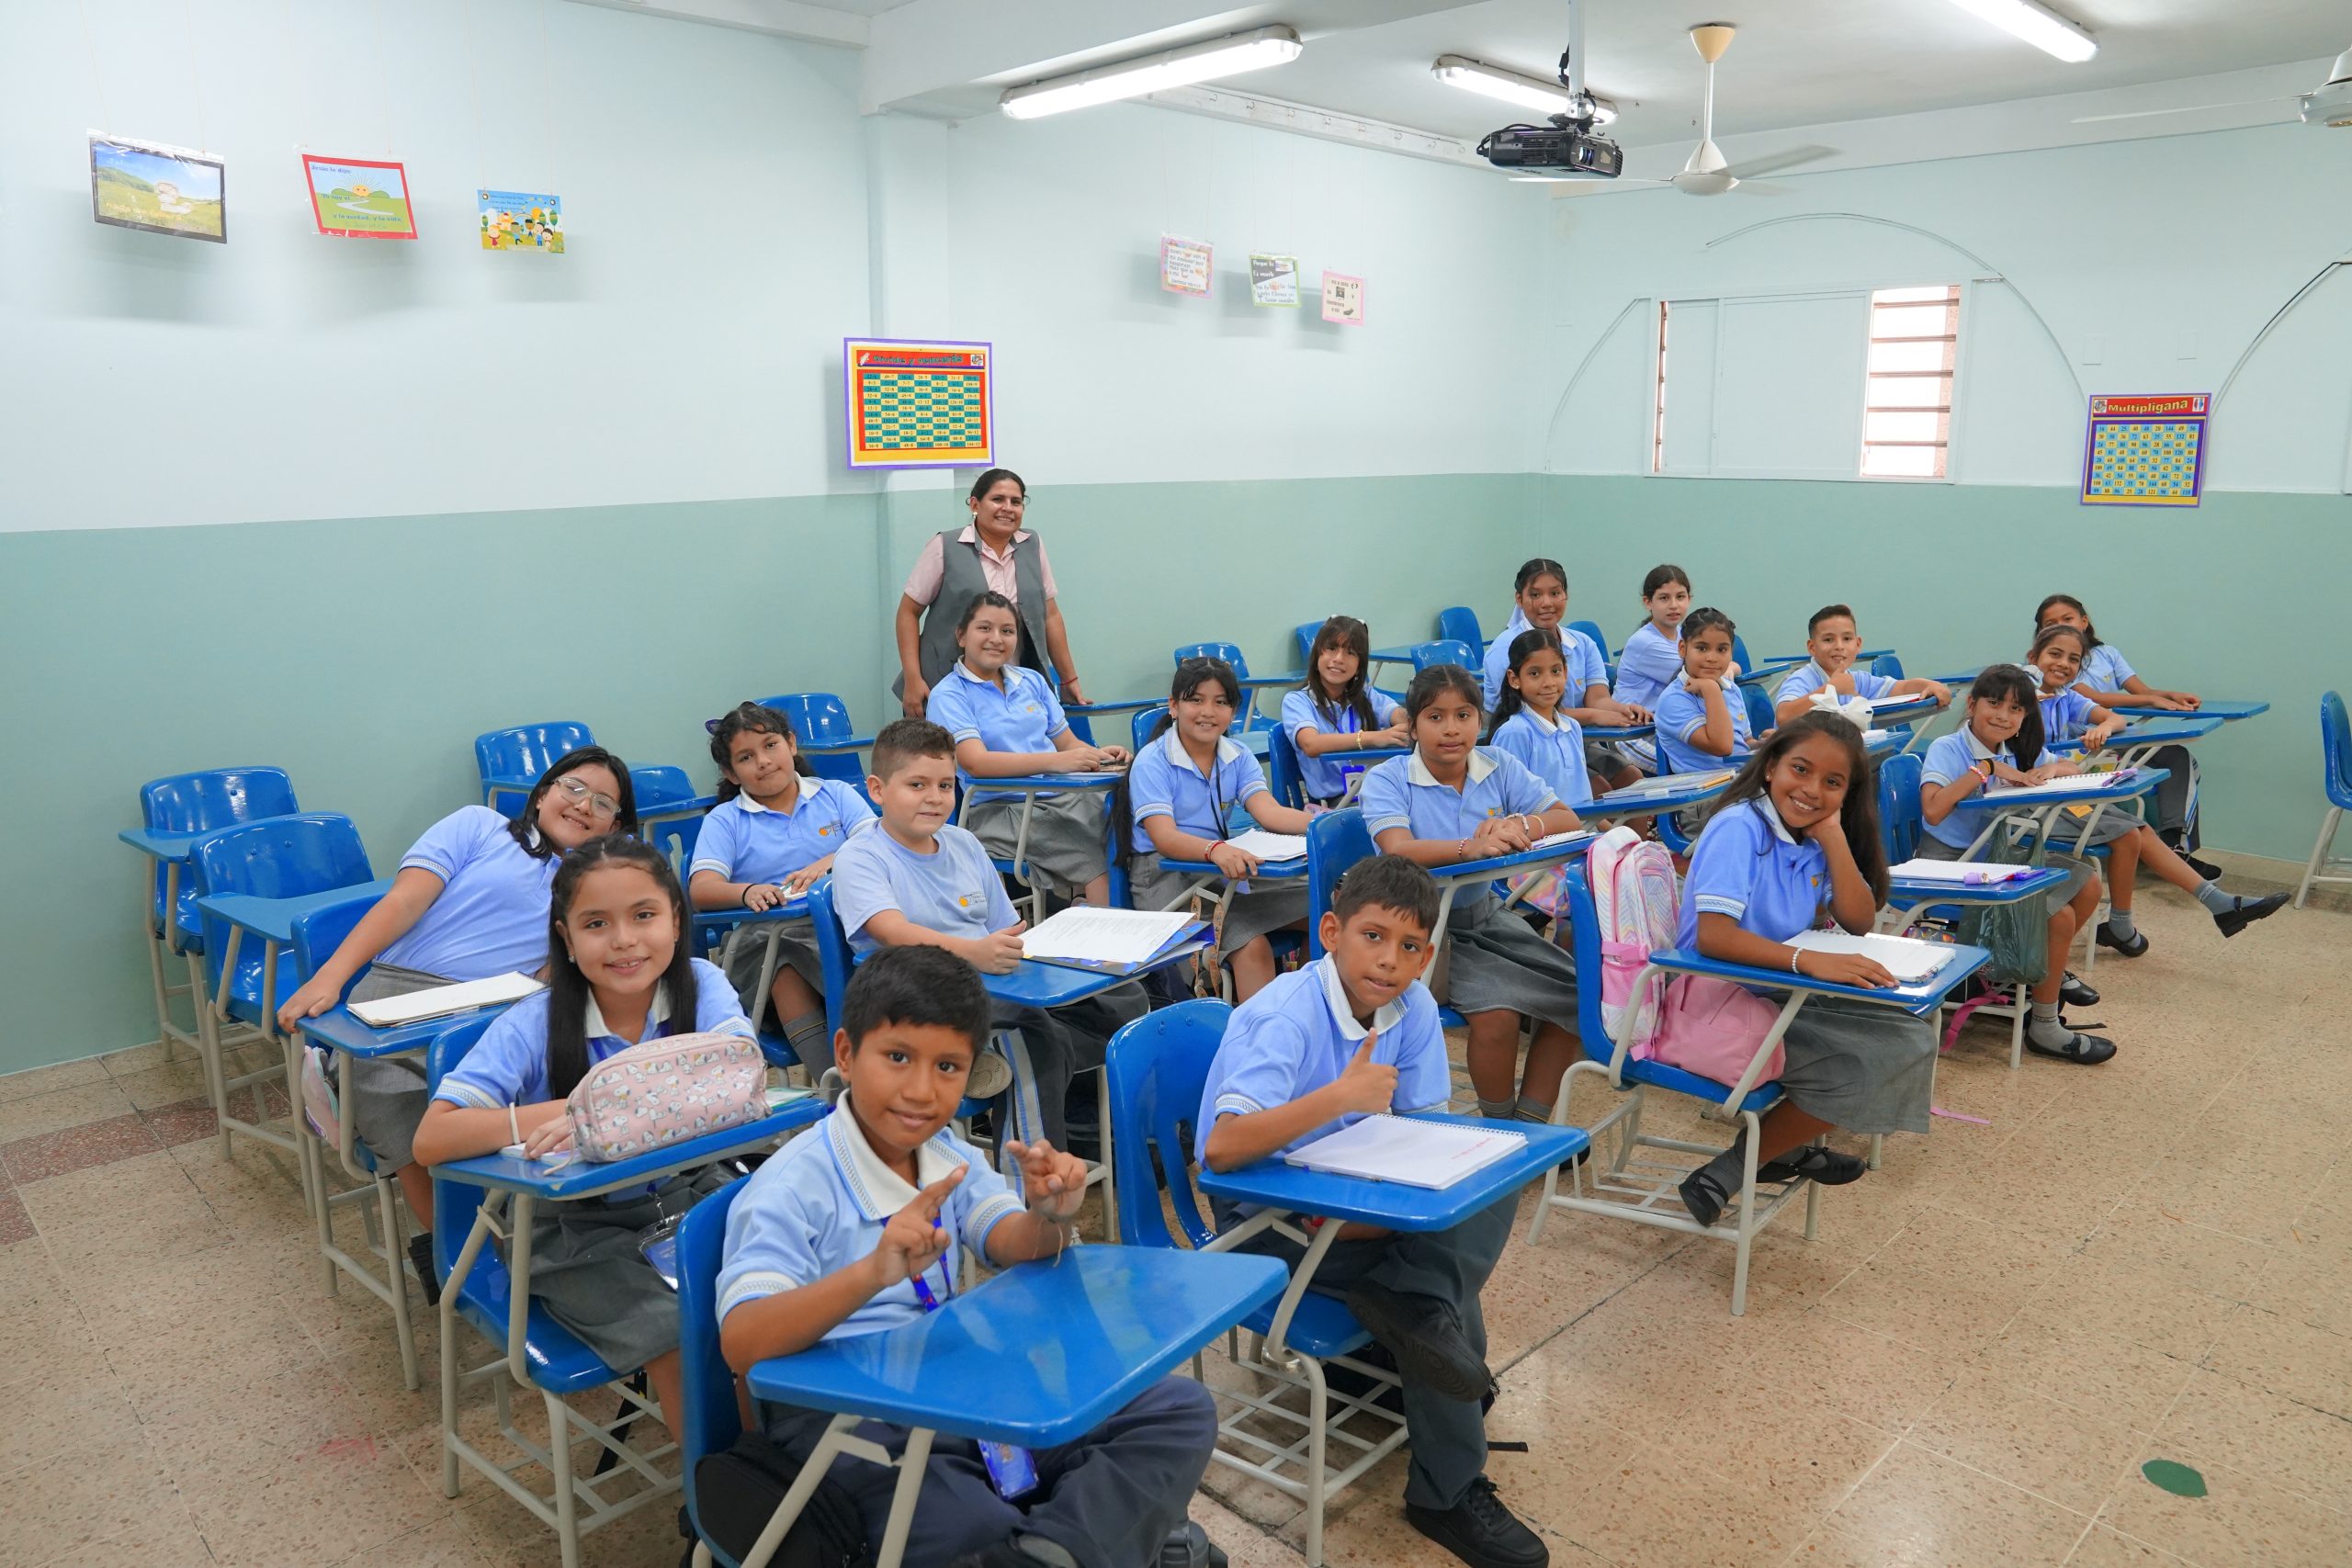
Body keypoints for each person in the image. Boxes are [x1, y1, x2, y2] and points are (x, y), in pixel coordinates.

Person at [718, 945, 1218, 1568]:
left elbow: (1012, 1242)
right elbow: (743, 1343)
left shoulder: (948, 1155)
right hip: (840, 1418)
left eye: (948, 1066)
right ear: (845, 1054)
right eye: (897, 1057)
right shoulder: (790, 1187)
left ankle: (1053, 1550)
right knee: (978, 1528)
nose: (921, 1090)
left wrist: (1049, 1213)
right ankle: (1080, 1543)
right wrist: (872, 1273)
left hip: (955, 1384)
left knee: (1177, 1410)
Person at [1199, 854, 1546, 1568]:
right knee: (1438, 1292)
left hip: (1351, 1196)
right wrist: (1337, 1098)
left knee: (1492, 1182)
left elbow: (1426, 1132)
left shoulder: (1410, 1008)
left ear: (1427, 957)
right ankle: (1447, 1489)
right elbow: (1223, 1149)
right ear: (1332, 932)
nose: (1390, 960)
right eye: (1374, 936)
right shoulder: (1286, 1014)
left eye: (1411, 945)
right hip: (1268, 1220)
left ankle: (1413, 1316)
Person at [413, 835, 752, 1431]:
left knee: (775, 1291)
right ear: (566, 939)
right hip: (572, 1230)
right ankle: (725, 1482)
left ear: (676, 920)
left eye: (644, 915)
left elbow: (739, 1077)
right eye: (596, 924)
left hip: (691, 1194)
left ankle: (786, 1461)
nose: (623, 939)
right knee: (681, 1333)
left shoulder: (700, 982)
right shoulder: (532, 1023)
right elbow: (432, 1139)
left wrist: (605, 1109)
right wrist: (566, 1112)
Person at [275, 747, 636, 1300]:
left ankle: (562, 1240)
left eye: (604, 803)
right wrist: (330, 978)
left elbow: (560, 970)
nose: (585, 806)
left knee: (556, 1088)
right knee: (392, 1090)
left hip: (504, 1010)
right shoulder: (479, 826)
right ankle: (458, 1255)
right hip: (403, 993)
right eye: (574, 788)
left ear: (615, 825)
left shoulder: (596, 883)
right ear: (543, 793)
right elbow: (403, 903)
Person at [1672, 713, 1938, 1226]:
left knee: (1907, 1032)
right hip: (1718, 997)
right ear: (1771, 766)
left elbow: (1859, 919)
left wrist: (1833, 837)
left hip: (1777, 987)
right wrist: (1810, 960)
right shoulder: (1740, 827)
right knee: (1885, 1053)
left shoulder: (1809, 835)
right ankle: (1731, 1169)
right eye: (1801, 769)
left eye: (1833, 783)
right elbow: (1714, 937)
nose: (1812, 790)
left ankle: (1779, 1148)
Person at [831, 718, 1136, 1148]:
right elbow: (891, 931)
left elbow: (1004, 928)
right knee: (1034, 1038)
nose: (934, 797)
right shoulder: (860, 856)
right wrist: (973, 953)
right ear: (877, 790)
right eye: (917, 785)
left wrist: (1050, 947)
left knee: (1126, 996)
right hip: (915, 996)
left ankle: (985, 1057)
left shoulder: (964, 843)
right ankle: (1028, 1175)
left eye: (944, 785)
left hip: (991, 985)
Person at [1358, 664, 1584, 1125]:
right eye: (1435, 717)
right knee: (1497, 1015)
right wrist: (1469, 847)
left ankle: (1529, 1127)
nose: (1451, 729)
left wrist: (1520, 824)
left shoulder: (1497, 764)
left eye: (1463, 715)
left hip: (1486, 917)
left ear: (1480, 720)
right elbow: (1398, 848)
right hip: (1422, 932)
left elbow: (1566, 818)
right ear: (1412, 726)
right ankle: (1499, 1125)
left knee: (1581, 995)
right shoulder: (1389, 778)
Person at [2024, 625, 2285, 951]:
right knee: (2129, 832)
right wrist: (2062, 764)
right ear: (2033, 657)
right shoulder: (2021, 694)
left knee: (2136, 829)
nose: (2064, 663)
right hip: (2028, 803)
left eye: (2073, 659)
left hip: (2060, 794)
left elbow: (2115, 719)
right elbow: (2021, 759)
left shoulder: (2067, 696)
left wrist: (2103, 727)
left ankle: (2136, 921)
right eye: (2055, 654)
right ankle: (2210, 906)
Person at [1917, 665, 2115, 1064]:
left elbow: (2072, 769)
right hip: (1950, 864)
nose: (2003, 716)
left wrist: (2050, 769)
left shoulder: (2011, 749)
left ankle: (2030, 968)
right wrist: (1985, 770)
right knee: (2056, 918)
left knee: (2087, 882)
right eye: (1994, 703)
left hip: (1993, 860)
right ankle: (2044, 1025)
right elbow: (1934, 811)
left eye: (2016, 709)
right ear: (1972, 705)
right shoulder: (1948, 748)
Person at [688, 702, 875, 1075]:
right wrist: (746, 892)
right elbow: (701, 889)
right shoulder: (726, 820)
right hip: (765, 942)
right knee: (783, 966)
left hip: (844, 925)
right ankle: (838, 1084)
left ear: (791, 744)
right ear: (731, 773)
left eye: (770, 745)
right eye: (746, 757)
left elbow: (878, 842)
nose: (763, 761)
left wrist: (832, 861)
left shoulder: (835, 794)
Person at [1119, 658, 1315, 1003]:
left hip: (1217, 872)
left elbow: (1268, 812)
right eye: (1196, 700)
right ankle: (1261, 1035)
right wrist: (1214, 849)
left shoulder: (1237, 755)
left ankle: (1305, 1015)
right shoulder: (1153, 761)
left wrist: (1323, 825)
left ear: (1233, 711)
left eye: (1221, 702)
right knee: (1252, 946)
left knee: (1327, 912)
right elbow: (1165, 838)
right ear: (1174, 706)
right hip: (1165, 877)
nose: (1208, 711)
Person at [925, 591, 1127, 908]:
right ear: (961, 636)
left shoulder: (1031, 681)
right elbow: (976, 762)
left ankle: (1097, 913)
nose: (996, 639)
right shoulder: (948, 695)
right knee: (1094, 857)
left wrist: (1101, 756)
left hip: (1060, 798)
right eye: (984, 628)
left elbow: (1067, 744)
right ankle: (1106, 935)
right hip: (1000, 810)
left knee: (1129, 828)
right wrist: (1056, 762)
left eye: (1007, 631)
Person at [2034, 592, 2210, 871]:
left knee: (2179, 759)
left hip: (2117, 736)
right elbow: (2095, 699)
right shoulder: (2057, 670)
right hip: (2085, 749)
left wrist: (2169, 695)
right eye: (2050, 624)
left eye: (2067, 619)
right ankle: (2162, 850)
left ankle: (2174, 843)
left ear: (2084, 621)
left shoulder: (2107, 654)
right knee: (2159, 775)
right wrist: (2151, 701)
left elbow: (2141, 692)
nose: (2062, 626)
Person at [894, 469, 1088, 717]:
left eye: (1016, 502)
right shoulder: (945, 546)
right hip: (943, 684)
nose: (1007, 508)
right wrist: (913, 679)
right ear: (975, 504)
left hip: (1012, 687)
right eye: (997, 499)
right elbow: (908, 613)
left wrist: (1068, 679)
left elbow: (1050, 615)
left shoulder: (1032, 545)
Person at [1480, 558, 1643, 790]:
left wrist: (1624, 710)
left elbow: (1598, 698)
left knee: (1632, 778)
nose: (1546, 603)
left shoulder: (1583, 643)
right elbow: (1525, 710)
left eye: (1555, 593)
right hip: (1531, 743)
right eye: (1535, 595)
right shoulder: (1505, 648)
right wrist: (1595, 716)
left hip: (1574, 737)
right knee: (1598, 788)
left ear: (1566, 595)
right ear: (1519, 599)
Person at [1282, 615, 1409, 807]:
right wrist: (1373, 738)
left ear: (1359, 666)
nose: (1339, 659)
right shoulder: (1297, 701)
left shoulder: (1366, 695)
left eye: (1350, 652)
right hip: (1337, 803)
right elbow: (1311, 744)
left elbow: (1397, 714)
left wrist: (1413, 718)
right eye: (1332, 649)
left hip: (1377, 791)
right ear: (1317, 655)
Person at [1770, 604, 1951, 723]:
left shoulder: (1858, 680)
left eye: (1847, 638)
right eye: (1828, 640)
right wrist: (1831, 689)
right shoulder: (1801, 679)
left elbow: (1901, 688)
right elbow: (1784, 716)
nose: (1839, 646)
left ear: (1858, 645)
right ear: (1812, 647)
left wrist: (1929, 685)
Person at [1485, 627, 1592, 807]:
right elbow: (1509, 803)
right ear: (1514, 679)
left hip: (1582, 822)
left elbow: (1584, 800)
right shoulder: (1514, 733)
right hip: (1541, 825)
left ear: (1565, 672)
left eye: (1556, 671)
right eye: (1535, 673)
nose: (1548, 683)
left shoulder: (1572, 727)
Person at [1652, 608, 1755, 774]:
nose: (1712, 658)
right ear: (1682, 648)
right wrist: (1711, 689)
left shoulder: (1732, 690)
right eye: (1701, 648)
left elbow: (1745, 743)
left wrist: (1769, 744)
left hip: (1742, 779)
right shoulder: (1673, 699)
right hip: (1708, 787)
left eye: (1722, 650)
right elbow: (1722, 746)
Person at [1610, 563, 1691, 711]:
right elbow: (1696, 676)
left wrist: (1732, 667)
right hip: (1635, 722)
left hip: (1661, 719)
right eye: (1664, 598)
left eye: (1680, 597)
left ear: (1689, 600)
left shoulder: (1683, 634)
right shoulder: (1645, 642)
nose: (1674, 605)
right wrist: (1730, 667)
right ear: (1648, 603)